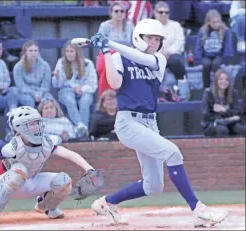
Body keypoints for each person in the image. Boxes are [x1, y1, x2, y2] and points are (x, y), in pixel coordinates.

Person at [89, 19, 228, 227]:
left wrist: (111, 44)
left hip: (149, 123)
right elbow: (115, 83)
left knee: (153, 186)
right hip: (128, 122)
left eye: (157, 39)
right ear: (138, 37)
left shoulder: (158, 59)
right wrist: (107, 52)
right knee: (173, 152)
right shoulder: (118, 58)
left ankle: (106, 203)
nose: (154, 42)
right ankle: (198, 210)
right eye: (150, 38)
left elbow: (143, 59)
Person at [0, 106, 97, 225]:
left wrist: (88, 168)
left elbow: (69, 154)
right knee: (20, 170)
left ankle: (46, 206)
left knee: (64, 180)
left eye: (37, 123)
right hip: (8, 182)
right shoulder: (10, 145)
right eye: (31, 124)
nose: (37, 127)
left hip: (31, 181)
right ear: (18, 127)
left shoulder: (47, 142)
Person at [52, 41, 97, 137]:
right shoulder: (61, 62)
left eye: (71, 51)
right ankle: (80, 125)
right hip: (66, 90)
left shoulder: (88, 64)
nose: (68, 54)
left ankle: (82, 131)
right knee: (70, 100)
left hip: (85, 90)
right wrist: (56, 77)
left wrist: (82, 89)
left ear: (77, 52)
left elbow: (93, 84)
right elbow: (57, 85)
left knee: (85, 102)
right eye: (67, 51)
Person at [194, 9, 234, 89]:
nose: (217, 24)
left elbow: (228, 47)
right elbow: (198, 46)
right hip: (206, 56)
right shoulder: (202, 31)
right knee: (206, 64)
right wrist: (198, 61)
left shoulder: (225, 30)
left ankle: (217, 87)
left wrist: (225, 60)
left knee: (216, 64)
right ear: (208, 22)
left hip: (219, 56)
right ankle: (207, 87)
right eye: (214, 22)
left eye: (218, 21)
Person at [201, 69, 244, 137]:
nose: (224, 82)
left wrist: (224, 110)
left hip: (230, 122)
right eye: (220, 79)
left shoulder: (233, 93)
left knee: (241, 129)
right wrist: (224, 119)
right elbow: (206, 115)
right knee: (222, 130)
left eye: (226, 80)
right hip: (212, 123)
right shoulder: (208, 93)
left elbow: (236, 112)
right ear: (216, 81)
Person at [13, 40, 53, 108]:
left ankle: (48, 118)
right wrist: (33, 94)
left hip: (41, 92)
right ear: (25, 52)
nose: (33, 53)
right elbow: (21, 86)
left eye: (35, 50)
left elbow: (46, 85)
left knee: (49, 101)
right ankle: (32, 118)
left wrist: (40, 93)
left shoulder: (45, 65)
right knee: (29, 101)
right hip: (25, 93)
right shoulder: (18, 67)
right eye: (30, 51)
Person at [154, 1, 186, 81]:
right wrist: (160, 54)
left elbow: (180, 42)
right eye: (161, 12)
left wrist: (169, 51)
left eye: (166, 12)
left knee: (176, 61)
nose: (164, 14)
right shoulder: (150, 26)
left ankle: (182, 84)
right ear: (155, 13)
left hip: (172, 56)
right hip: (155, 56)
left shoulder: (176, 25)